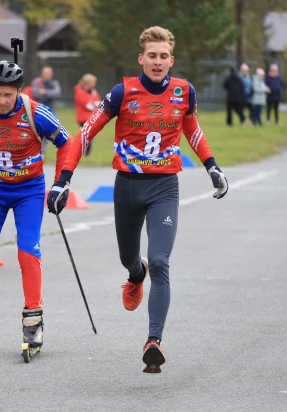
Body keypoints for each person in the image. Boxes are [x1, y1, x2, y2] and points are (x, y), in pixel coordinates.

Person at [47, 26, 229, 373]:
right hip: (127, 187)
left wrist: (212, 167)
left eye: (163, 57)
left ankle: (153, 341)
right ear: (141, 58)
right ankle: (135, 275)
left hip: (164, 187)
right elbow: (85, 134)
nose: (157, 62)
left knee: (160, 261)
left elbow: (193, 130)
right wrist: (63, 181)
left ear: (171, 60)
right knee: (129, 258)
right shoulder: (122, 92)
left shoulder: (183, 91)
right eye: (152, 56)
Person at [0, 60, 72, 350]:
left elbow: (66, 143)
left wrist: (60, 183)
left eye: (8, 94)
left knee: (27, 251)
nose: (2, 101)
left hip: (29, 190)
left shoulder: (36, 113)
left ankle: (33, 324)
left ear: (19, 91)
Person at [74, 73, 101, 156]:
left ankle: (85, 154)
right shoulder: (79, 92)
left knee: (89, 137)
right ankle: (83, 153)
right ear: (88, 83)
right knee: (87, 137)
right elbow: (88, 106)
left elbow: (99, 103)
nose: (94, 84)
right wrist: (93, 103)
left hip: (91, 117)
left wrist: (93, 103)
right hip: (83, 118)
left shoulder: (93, 91)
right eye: (93, 82)